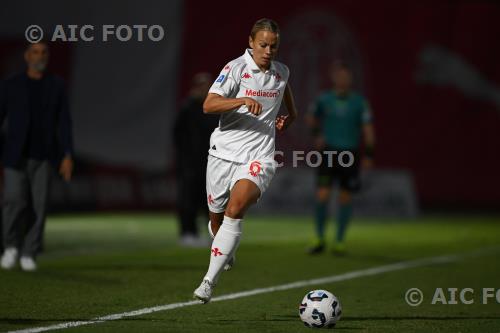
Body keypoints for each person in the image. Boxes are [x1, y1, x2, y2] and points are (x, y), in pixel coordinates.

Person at [193, 18, 298, 303]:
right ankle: (224, 245)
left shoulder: (281, 72)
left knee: (236, 209)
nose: (268, 51)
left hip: (259, 156)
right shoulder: (235, 69)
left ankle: (207, 283)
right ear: (251, 42)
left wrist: (290, 117)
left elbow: (285, 93)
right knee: (216, 220)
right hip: (223, 154)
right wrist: (240, 101)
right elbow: (208, 105)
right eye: (263, 44)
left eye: (273, 46)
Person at [0, 42, 74, 271]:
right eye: (34, 52)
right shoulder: (12, 85)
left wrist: (67, 155)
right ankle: (11, 246)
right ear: (26, 56)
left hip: (44, 156)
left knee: (40, 206)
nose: (39, 56)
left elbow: (64, 123)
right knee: (13, 200)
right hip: (15, 155)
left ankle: (29, 252)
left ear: (47, 57)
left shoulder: (56, 85)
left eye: (43, 52)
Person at [306, 63, 375, 255]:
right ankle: (319, 238)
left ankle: (339, 241)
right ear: (335, 78)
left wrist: (369, 154)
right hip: (328, 152)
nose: (343, 80)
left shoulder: (359, 102)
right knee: (322, 195)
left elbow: (368, 130)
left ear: (350, 80)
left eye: (347, 77)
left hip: (350, 154)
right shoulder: (324, 99)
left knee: (345, 197)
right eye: (340, 76)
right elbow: (310, 117)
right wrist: (317, 134)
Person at [173, 73, 219, 247]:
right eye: (200, 86)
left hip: (211, 162)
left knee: (211, 201)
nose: (203, 89)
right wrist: (185, 157)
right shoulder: (188, 108)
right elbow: (178, 135)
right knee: (188, 199)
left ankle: (213, 234)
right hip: (191, 164)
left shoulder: (214, 108)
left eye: (206, 85)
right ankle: (187, 233)